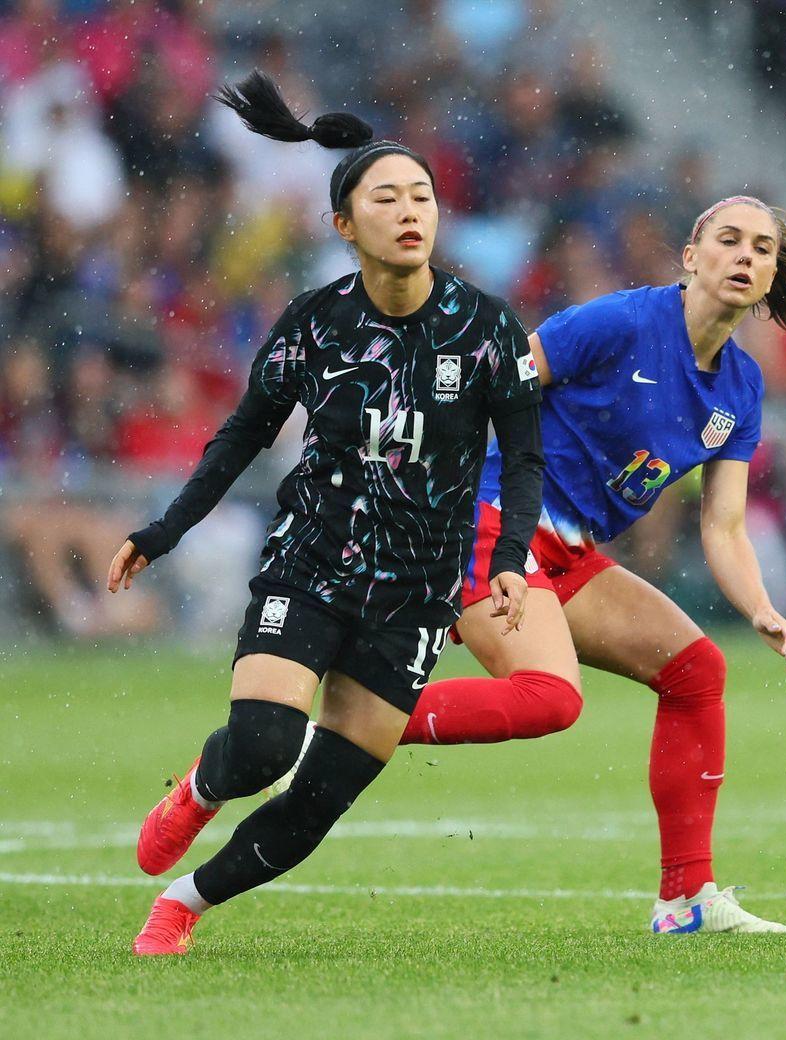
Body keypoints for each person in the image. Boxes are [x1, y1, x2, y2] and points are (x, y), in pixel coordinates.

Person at [288, 194, 786, 934]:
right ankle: (337, 731)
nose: (746, 256)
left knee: (696, 672)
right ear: (692, 256)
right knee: (548, 698)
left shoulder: (743, 389)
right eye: (729, 240)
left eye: (762, 247)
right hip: (492, 518)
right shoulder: (620, 322)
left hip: (572, 549)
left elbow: (723, 526)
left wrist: (761, 607)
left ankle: (686, 901)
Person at [107, 71, 544, 955]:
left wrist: (509, 559)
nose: (410, 209)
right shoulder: (312, 324)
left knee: (323, 796)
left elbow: (525, 454)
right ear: (345, 225)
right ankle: (199, 788)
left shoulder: (487, 328)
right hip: (311, 559)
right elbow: (237, 439)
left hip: (418, 592)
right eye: (385, 197)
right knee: (265, 746)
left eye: (421, 194)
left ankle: (184, 903)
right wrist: (163, 531)